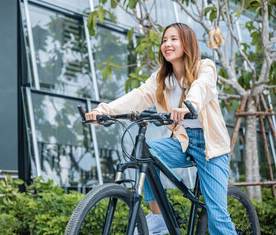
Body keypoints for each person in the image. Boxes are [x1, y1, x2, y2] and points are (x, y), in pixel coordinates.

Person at [85, 23, 237, 235]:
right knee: (145, 155)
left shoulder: (205, 66)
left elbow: (202, 86)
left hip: (210, 146)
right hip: (183, 141)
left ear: (187, 43)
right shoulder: (161, 79)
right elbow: (138, 96)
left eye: (174, 39)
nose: (167, 44)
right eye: (165, 40)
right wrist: (104, 111)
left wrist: (188, 105)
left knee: (218, 219)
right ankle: (158, 218)